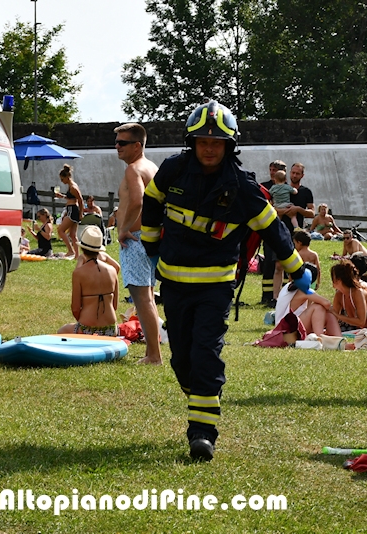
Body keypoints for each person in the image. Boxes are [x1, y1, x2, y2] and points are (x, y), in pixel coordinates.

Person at [141, 100, 309, 461]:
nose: (210, 148)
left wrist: (298, 271)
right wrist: (150, 244)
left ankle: (202, 434)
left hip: (215, 286)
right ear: (192, 142)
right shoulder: (172, 170)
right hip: (173, 282)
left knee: (205, 353)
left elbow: (274, 231)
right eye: (203, 141)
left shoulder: (242, 187)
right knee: (181, 360)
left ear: (229, 145)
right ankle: (204, 397)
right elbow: (151, 203)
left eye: (217, 142)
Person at [115, 123, 163, 365]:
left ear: (137, 145)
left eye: (122, 143)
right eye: (116, 142)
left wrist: (123, 229)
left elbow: (138, 201)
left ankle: (153, 355)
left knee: (142, 298)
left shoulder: (134, 169)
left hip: (135, 240)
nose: (117, 147)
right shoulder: (151, 167)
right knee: (148, 298)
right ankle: (153, 352)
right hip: (149, 239)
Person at [57, 226, 119, 336]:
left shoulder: (79, 273)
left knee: (61, 332)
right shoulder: (112, 271)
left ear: (82, 248)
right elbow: (114, 306)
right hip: (111, 328)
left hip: (87, 328)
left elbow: (75, 308)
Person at [272, 162, 315, 300]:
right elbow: (271, 208)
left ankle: (293, 295)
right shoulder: (281, 189)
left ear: (302, 175)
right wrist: (284, 211)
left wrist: (298, 209)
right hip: (279, 231)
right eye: (293, 173)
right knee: (279, 265)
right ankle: (276, 297)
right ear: (288, 173)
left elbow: (312, 213)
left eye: (297, 173)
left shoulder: (306, 192)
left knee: (296, 265)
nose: (294, 175)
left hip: (296, 233)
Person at [275, 262, 341, 338]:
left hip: (286, 327)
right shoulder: (304, 291)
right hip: (286, 330)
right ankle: (320, 338)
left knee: (328, 314)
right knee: (318, 307)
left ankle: (340, 340)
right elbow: (327, 304)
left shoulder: (289, 286)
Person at [259, 160, 287, 305]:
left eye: (274, 170)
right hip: (268, 230)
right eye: (270, 169)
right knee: (268, 263)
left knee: (284, 265)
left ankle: (283, 295)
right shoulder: (264, 187)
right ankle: (266, 296)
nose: (271, 172)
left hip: (283, 230)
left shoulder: (285, 187)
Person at [54, 164, 84, 259]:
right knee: (72, 234)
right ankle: (76, 255)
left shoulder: (73, 187)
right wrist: (62, 196)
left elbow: (80, 200)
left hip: (73, 210)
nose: (62, 181)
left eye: (62, 179)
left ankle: (70, 251)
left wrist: (81, 213)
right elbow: (71, 198)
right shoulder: (71, 186)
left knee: (60, 230)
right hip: (72, 209)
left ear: (67, 177)